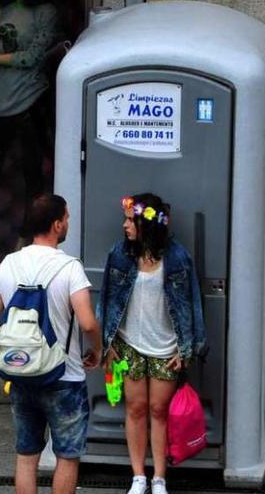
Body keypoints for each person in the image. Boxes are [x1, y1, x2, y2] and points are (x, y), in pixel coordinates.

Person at [0, 193, 102, 494]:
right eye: (67, 218)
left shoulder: (9, 263)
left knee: (26, 457)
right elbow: (88, 323)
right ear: (57, 224)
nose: (68, 223)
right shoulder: (70, 268)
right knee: (67, 457)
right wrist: (98, 351)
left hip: (22, 374)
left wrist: (1, 350)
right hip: (65, 376)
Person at [96, 193, 207, 494]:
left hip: (166, 348)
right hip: (129, 344)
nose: (125, 226)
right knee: (135, 409)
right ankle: (138, 477)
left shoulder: (178, 258)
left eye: (131, 221)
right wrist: (107, 346)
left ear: (148, 224)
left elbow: (193, 303)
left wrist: (186, 349)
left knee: (158, 410)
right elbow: (105, 301)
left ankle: (159, 477)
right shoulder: (119, 254)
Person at [0, 0, 59, 276]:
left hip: (31, 102)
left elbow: (32, 57)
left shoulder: (45, 11)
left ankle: (26, 242)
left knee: (33, 176)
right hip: (1, 105)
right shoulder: (3, 10)